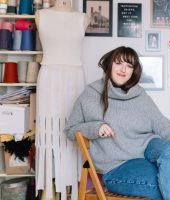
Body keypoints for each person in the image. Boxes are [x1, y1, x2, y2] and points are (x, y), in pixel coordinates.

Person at [64, 46, 170, 200]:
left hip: (147, 149)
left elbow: (164, 125)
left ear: (134, 71)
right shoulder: (90, 94)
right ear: (109, 64)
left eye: (129, 66)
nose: (123, 69)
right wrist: (95, 127)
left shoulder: (140, 95)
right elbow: (70, 130)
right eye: (119, 63)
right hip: (117, 167)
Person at [35, 0, 89, 199]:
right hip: (49, 78)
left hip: (75, 80)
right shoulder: (41, 15)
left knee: (72, 130)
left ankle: (70, 188)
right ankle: (49, 187)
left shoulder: (83, 18)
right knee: (48, 131)